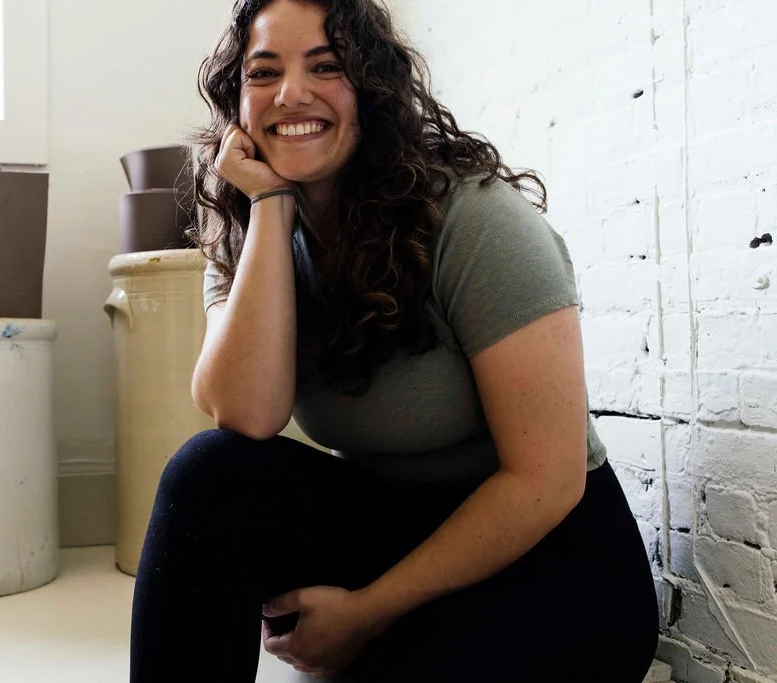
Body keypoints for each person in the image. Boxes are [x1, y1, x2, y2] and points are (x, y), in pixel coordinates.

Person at [128, 0, 660, 681]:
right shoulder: (251, 227)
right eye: (264, 72)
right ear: (237, 102)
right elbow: (246, 414)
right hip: (397, 522)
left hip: (550, 556)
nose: (291, 94)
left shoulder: (473, 219)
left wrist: (367, 611)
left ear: (372, 87)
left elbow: (546, 481)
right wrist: (271, 206)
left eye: (326, 66)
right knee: (208, 473)